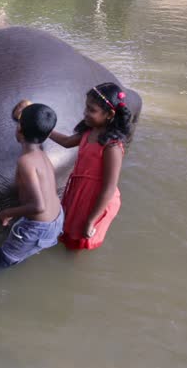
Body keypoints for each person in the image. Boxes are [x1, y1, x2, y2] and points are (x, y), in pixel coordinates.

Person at [49, 82, 133, 250]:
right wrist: (44, 129)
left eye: (91, 110)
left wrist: (91, 220)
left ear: (109, 114)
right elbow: (66, 142)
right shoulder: (89, 131)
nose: (85, 113)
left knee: (81, 237)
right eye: (86, 108)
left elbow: (109, 188)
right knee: (68, 231)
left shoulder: (112, 147)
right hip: (80, 191)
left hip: (96, 199)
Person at [0, 103, 64, 267]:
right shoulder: (41, 154)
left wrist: (6, 213)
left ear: (19, 129)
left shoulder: (25, 162)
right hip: (57, 218)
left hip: (38, 228)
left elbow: (38, 207)